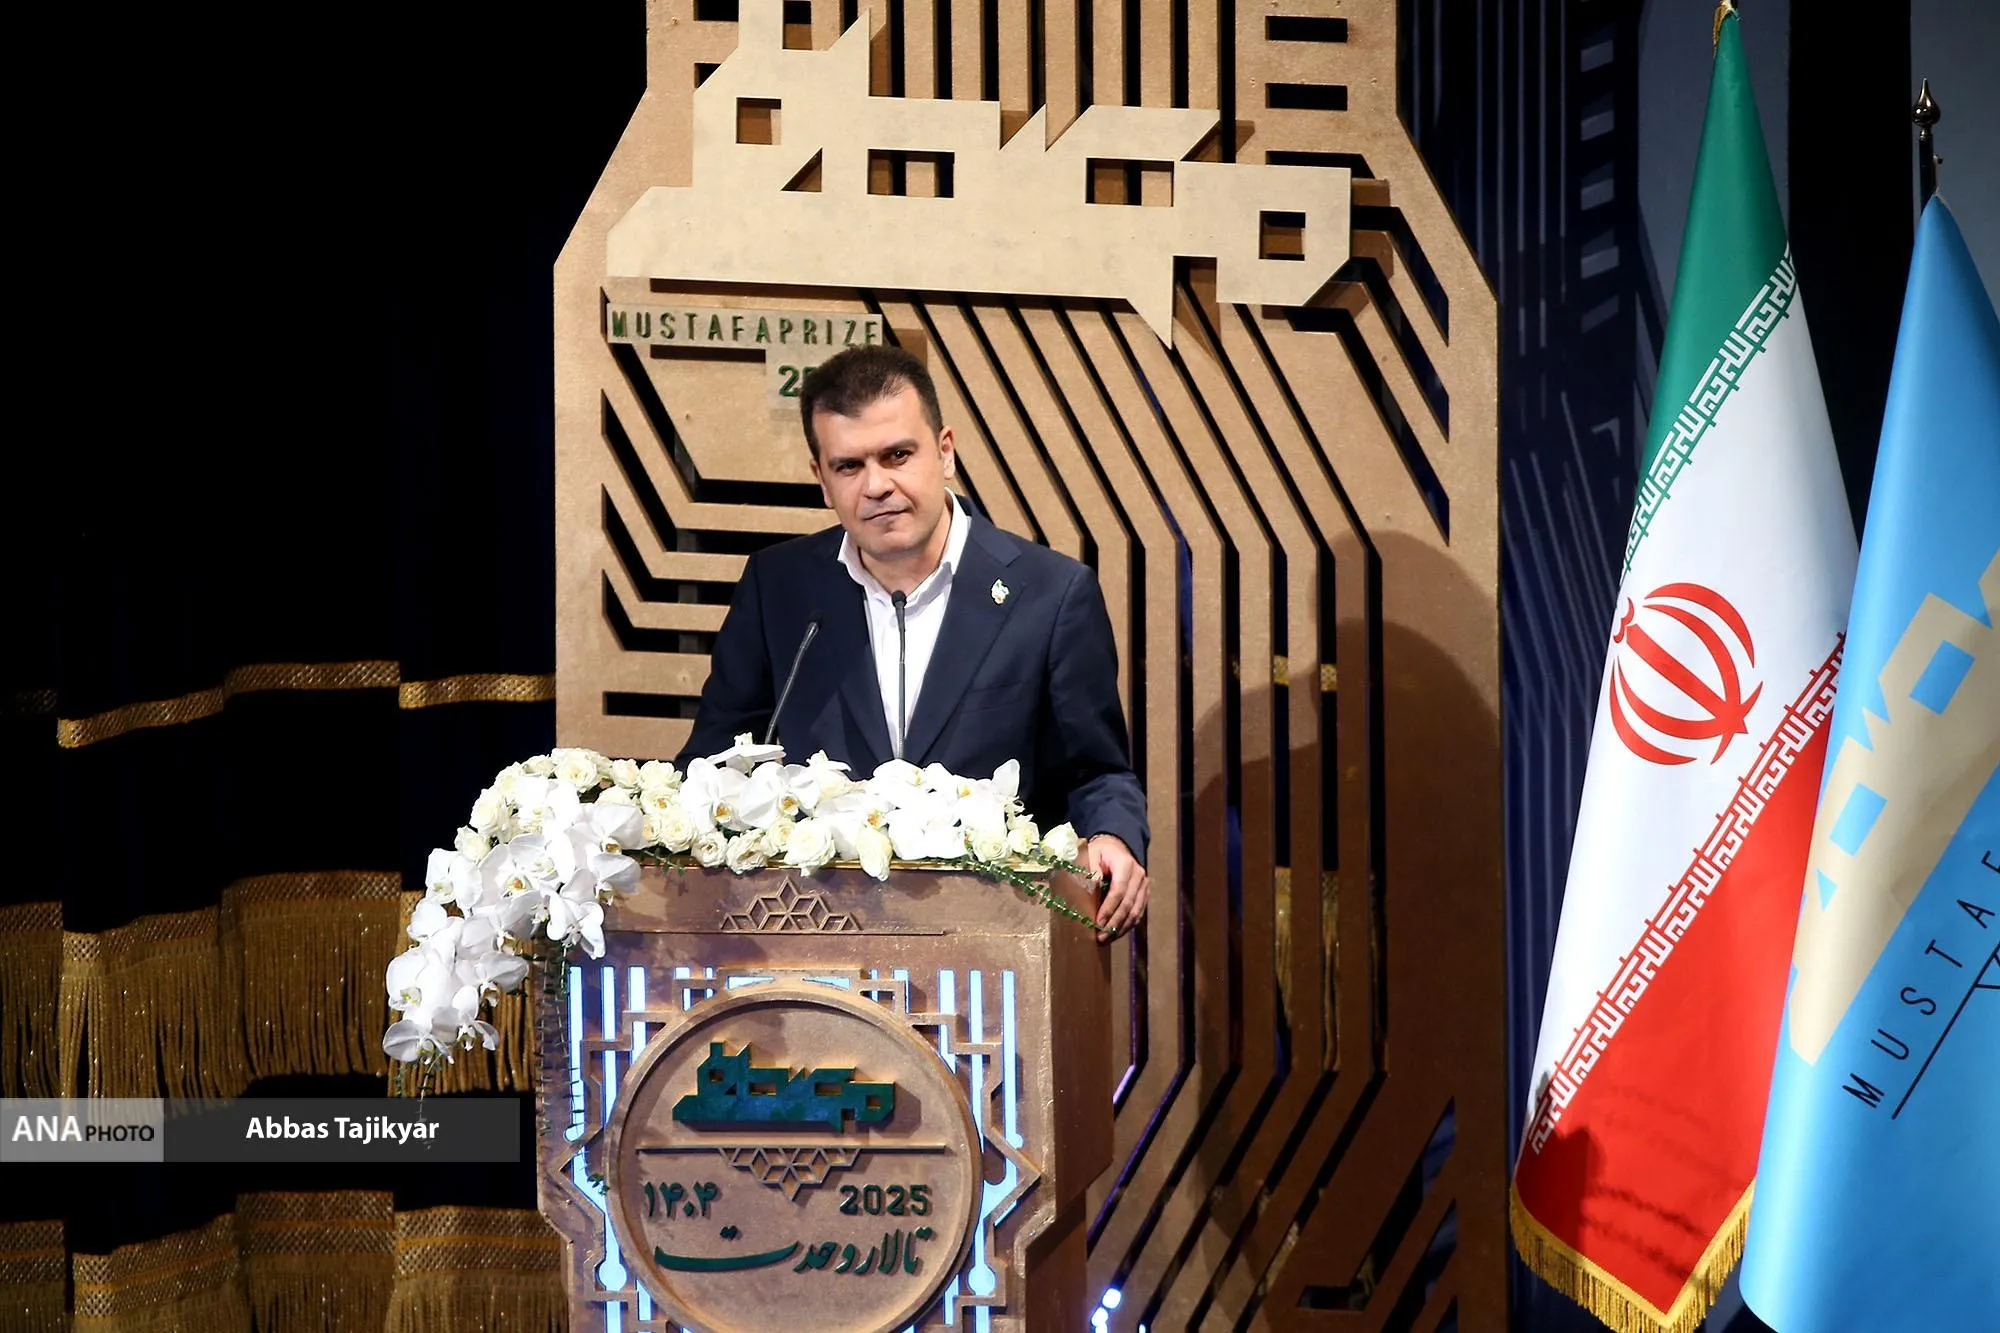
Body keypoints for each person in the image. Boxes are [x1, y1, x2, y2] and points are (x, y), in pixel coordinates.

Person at [677, 344, 1149, 940]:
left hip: (992, 940)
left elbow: (1096, 772)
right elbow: (712, 764)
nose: (877, 485)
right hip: (815, 936)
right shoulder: (780, 589)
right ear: (821, 479)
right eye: (849, 466)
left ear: (945, 451)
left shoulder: (1050, 595)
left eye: (897, 455)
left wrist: (1111, 836)